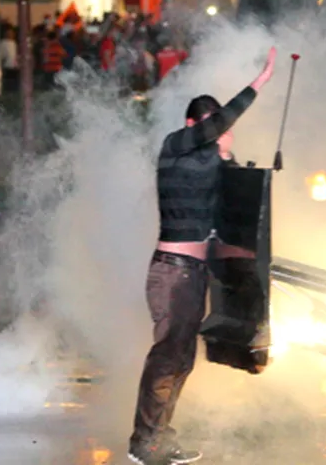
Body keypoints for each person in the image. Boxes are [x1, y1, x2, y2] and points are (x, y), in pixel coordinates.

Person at [128, 46, 277, 465]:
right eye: (210, 127)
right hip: (171, 272)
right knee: (166, 356)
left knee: (182, 360)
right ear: (193, 124)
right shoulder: (174, 146)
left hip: (194, 274)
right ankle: (144, 442)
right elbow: (222, 122)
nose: (217, 134)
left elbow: (237, 206)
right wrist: (259, 83)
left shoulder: (213, 161)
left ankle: (160, 437)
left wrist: (228, 159)